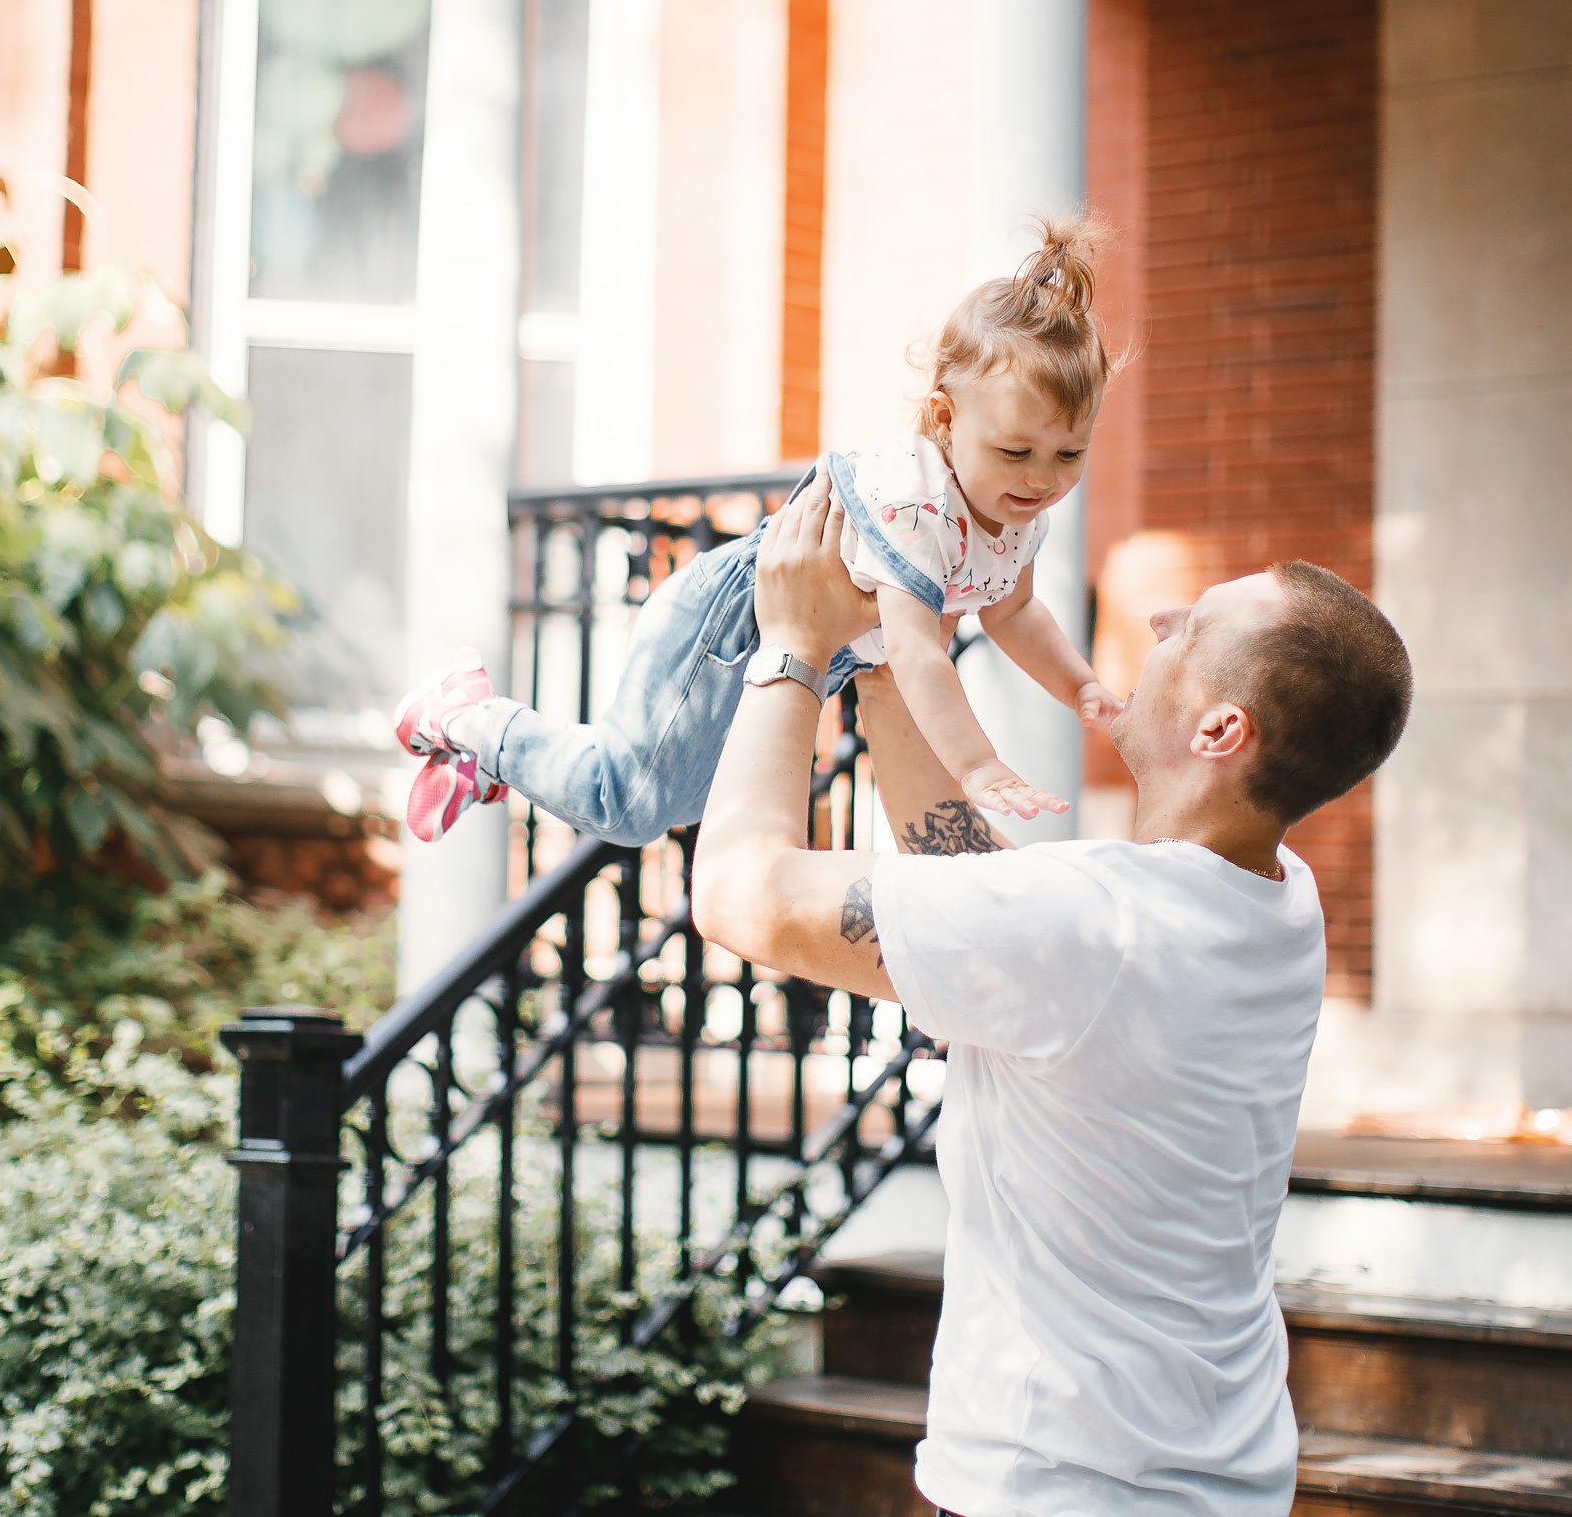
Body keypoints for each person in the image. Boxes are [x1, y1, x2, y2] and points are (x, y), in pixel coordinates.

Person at [689, 473, 1413, 1516]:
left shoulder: (1096, 924)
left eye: (1193, 626)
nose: (1162, 617)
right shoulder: (1274, 899)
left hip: (1059, 1490)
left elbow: (734, 893)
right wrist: (889, 656)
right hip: (1215, 1481)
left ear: (1220, 732)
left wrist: (791, 648)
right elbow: (993, 905)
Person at [392, 218, 1124, 844]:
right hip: (730, 620)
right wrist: (977, 764)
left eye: (1069, 454)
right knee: (627, 803)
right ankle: (470, 716)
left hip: (806, 643)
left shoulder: (1016, 516)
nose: (1041, 477)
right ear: (944, 419)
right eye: (1016, 451)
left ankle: (483, 759)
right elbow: (914, 650)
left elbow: (1014, 611)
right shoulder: (920, 505)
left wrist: (1079, 682)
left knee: (681, 806)